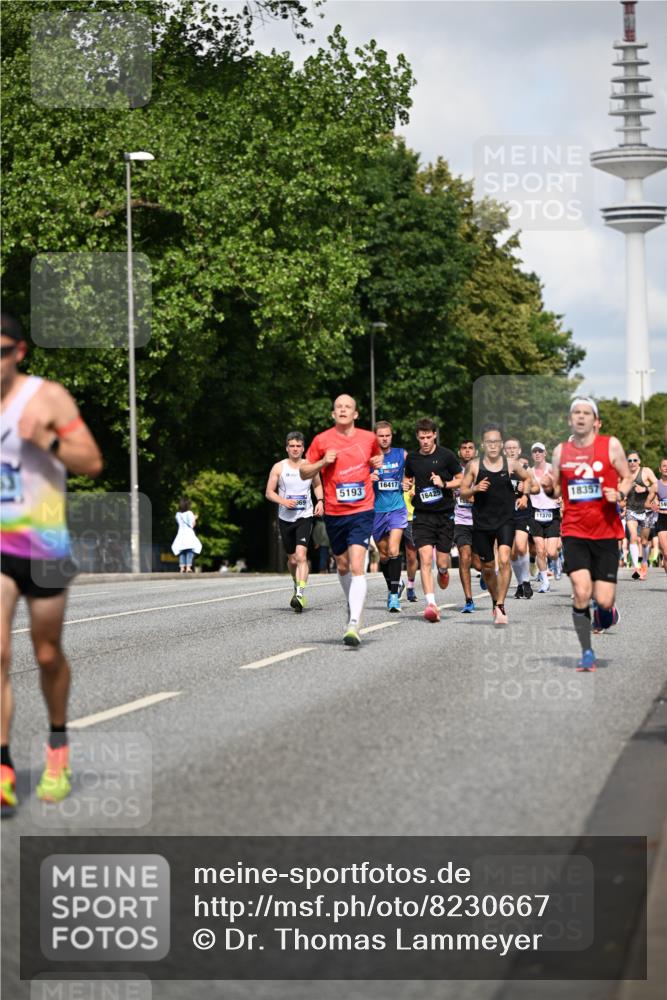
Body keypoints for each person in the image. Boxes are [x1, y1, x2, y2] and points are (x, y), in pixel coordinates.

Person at [1, 312, 103, 810]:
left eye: (1, 351)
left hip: (43, 549)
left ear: (18, 352)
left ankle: (57, 746)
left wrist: (48, 441)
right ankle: (2, 766)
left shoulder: (48, 397)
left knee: (45, 654)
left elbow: (92, 461)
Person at [541, 397, 633, 671]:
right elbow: (557, 489)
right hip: (574, 531)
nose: (580, 417)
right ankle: (587, 652)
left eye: (586, 412)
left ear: (595, 420)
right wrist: (547, 488)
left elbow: (627, 476)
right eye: (575, 413)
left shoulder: (611, 445)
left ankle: (606, 613)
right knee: (581, 593)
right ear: (571, 420)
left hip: (605, 532)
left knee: (603, 599)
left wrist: (620, 492)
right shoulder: (561, 452)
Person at [300, 395, 382, 646]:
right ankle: (352, 604)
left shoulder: (369, 438)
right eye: (339, 407)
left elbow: (376, 460)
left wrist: (375, 463)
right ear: (333, 414)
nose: (343, 410)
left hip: (362, 509)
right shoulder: (321, 440)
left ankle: (354, 622)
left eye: (348, 407)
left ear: (356, 414)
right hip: (335, 512)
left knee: (358, 564)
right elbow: (304, 471)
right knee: (343, 565)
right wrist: (323, 462)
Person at [460, 423, 535, 625]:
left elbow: (527, 478)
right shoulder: (474, 466)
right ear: (483, 444)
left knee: (503, 559)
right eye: (489, 442)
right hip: (482, 522)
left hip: (505, 520)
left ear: (501, 444)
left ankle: (501, 605)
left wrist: (524, 496)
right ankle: (495, 600)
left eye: (496, 442)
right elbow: (463, 491)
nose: (492, 445)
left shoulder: (511, 464)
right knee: (487, 567)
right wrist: (475, 489)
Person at [404, 418, 462, 623]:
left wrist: (444, 483)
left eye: (429, 437)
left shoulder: (446, 455)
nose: (425, 441)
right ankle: (431, 604)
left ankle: (444, 571)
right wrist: (406, 485)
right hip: (422, 516)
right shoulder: (411, 458)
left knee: (441, 562)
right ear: (417, 437)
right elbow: (408, 478)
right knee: (425, 560)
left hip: (444, 516)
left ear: (434, 435)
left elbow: (461, 479)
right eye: (422, 438)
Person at [265, 431, 324, 612]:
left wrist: (320, 501)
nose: (295, 449)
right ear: (287, 448)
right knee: (291, 560)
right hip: (285, 518)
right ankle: (295, 581)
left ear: (303, 448)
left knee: (301, 556)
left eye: (298, 446)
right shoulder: (279, 468)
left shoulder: (309, 466)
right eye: (292, 446)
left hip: (304, 516)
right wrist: (283, 501)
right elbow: (269, 492)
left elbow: (318, 485)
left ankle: (300, 593)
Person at [371, 421, 407, 613]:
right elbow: (355, 479)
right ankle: (394, 585)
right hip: (376, 511)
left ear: (391, 436)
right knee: (383, 555)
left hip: (397, 509)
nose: (384, 439)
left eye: (387, 435)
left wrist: (408, 482)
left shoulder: (401, 454)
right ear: (375, 437)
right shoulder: (369, 458)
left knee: (393, 550)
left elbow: (416, 471)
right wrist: (367, 479)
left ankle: (393, 597)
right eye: (381, 435)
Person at [528, 442, 562, 593]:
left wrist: (560, 497)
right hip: (535, 513)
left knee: (552, 551)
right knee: (540, 550)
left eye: (540, 451)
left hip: (552, 512)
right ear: (532, 455)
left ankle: (557, 560)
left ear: (545, 453)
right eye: (534, 451)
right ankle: (545, 582)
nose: (537, 454)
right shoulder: (528, 471)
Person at [503, 437, 534, 599]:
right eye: (508, 448)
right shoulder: (498, 469)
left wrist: (525, 489)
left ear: (520, 450)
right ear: (504, 451)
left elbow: (535, 487)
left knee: (521, 547)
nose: (512, 450)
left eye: (515, 448)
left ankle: (527, 581)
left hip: (522, 513)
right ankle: (521, 583)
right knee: (513, 553)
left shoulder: (525, 468)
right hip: (505, 515)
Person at [454, 439, 480, 613]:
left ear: (475, 452)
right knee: (464, 556)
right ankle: (469, 599)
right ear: (459, 452)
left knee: (479, 564)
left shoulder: (481, 471)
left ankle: (485, 575)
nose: (467, 451)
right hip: (460, 520)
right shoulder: (453, 472)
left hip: (480, 521)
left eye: (470, 448)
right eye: (464, 448)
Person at [623, 450, 658, 580]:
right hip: (631, 509)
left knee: (644, 542)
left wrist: (645, 489)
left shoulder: (646, 471)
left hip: (646, 511)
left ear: (639, 461)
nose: (632, 463)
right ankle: (636, 567)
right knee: (632, 536)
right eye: (629, 461)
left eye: (635, 460)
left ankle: (644, 564)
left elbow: (657, 485)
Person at [646, 458, 667, 576]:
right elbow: (646, 503)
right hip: (662, 520)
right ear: (660, 469)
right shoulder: (656, 485)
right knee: (666, 554)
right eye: (664, 466)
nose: (666, 468)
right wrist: (653, 506)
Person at [171, 498, 202, 573]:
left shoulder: (177, 514)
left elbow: (179, 523)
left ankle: (182, 568)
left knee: (181, 551)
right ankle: (188, 567)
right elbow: (192, 525)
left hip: (181, 534)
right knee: (190, 551)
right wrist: (195, 518)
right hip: (188, 534)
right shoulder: (190, 513)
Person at [402, 487, 419, 602]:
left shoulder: (418, 476)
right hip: (394, 516)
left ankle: (410, 586)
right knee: (389, 553)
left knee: (411, 556)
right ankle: (396, 584)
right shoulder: (395, 474)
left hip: (411, 519)